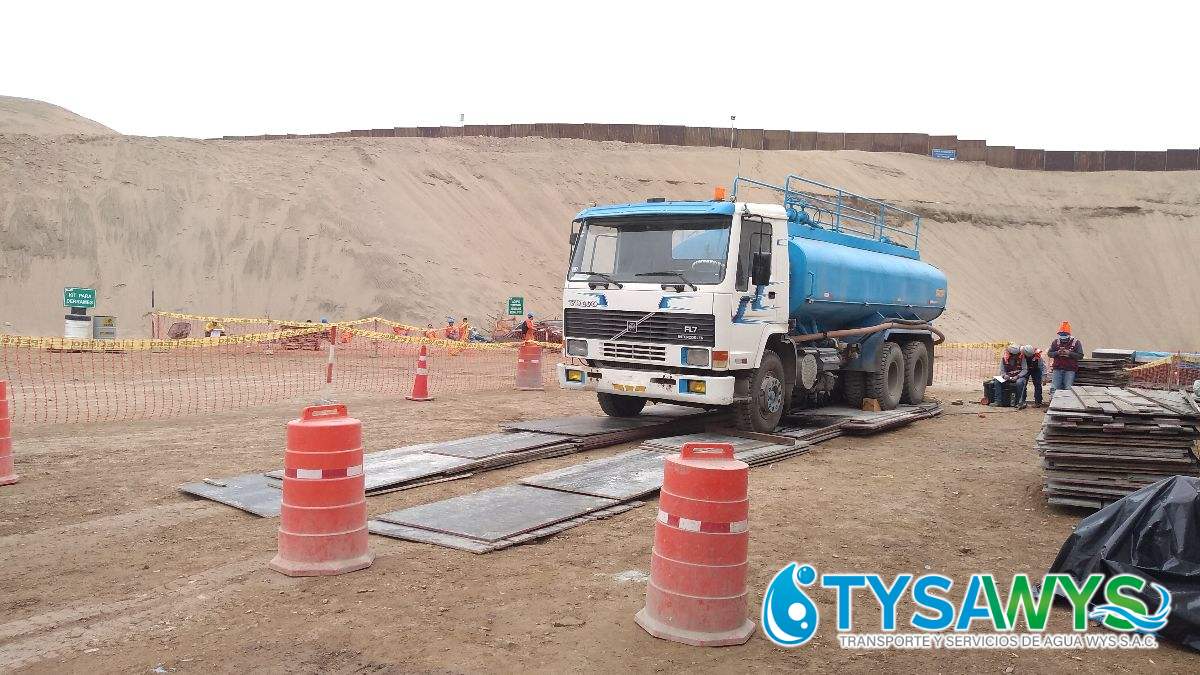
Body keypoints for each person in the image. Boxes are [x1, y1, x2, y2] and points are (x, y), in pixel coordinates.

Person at [1048, 321, 1084, 397]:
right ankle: (1053, 405)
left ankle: (1066, 405)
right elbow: (1050, 354)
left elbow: (1080, 356)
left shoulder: (1076, 343)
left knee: (1068, 389)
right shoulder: (1055, 342)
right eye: (1061, 334)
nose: (1062, 336)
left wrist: (1069, 353)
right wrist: (1057, 352)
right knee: (1054, 388)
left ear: (1069, 334)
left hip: (1070, 370)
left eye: (1064, 334)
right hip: (1057, 369)